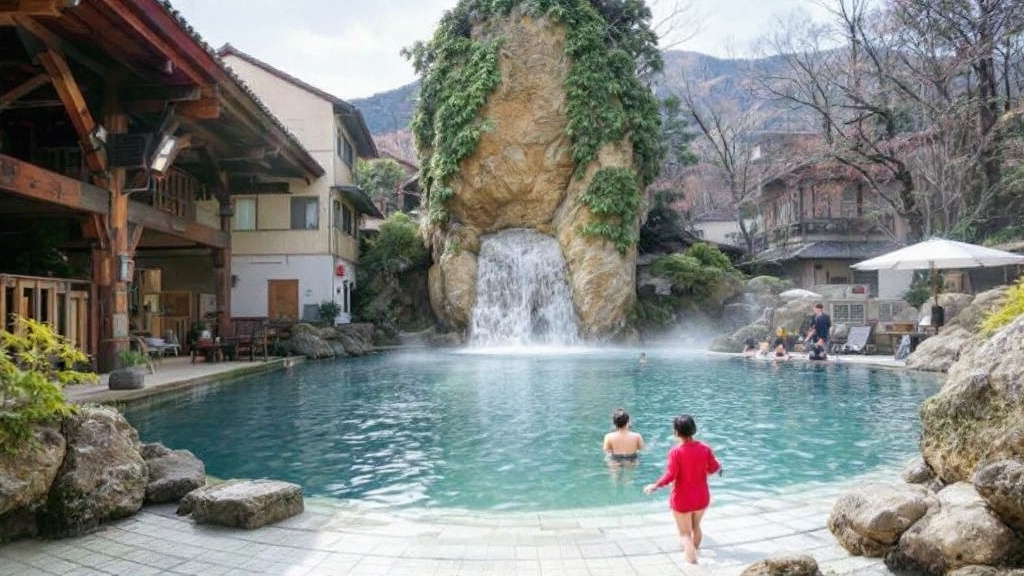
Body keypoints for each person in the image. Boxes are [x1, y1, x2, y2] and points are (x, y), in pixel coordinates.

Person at [643, 414, 721, 564]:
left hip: (683, 499)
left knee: (685, 534)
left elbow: (671, 475)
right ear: (694, 429)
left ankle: (692, 564)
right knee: (696, 526)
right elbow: (714, 468)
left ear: (676, 432)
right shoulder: (705, 448)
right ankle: (695, 551)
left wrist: (655, 485)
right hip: (702, 497)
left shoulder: (676, 452)